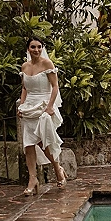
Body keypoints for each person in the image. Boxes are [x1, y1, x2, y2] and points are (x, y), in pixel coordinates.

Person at [18, 36, 67, 196]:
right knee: (28, 144)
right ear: (28, 49)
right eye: (33, 47)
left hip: (43, 107)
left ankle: (57, 168)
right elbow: (25, 88)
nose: (36, 50)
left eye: (39, 47)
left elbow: (55, 86)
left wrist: (50, 106)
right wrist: (21, 105)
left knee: (45, 143)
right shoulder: (24, 66)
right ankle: (33, 179)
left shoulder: (47, 64)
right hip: (29, 108)